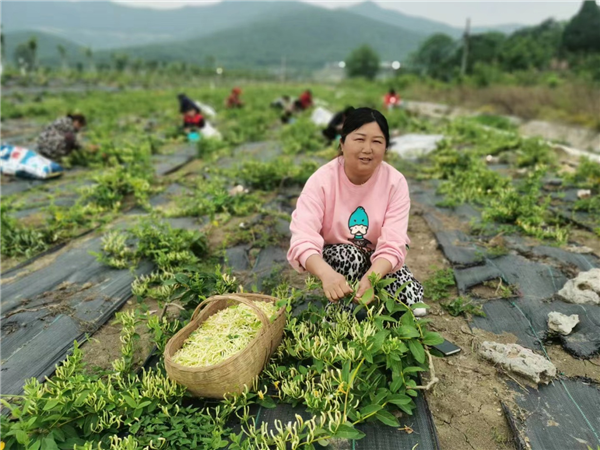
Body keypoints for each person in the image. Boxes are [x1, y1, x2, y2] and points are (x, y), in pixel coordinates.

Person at [287, 107, 426, 316]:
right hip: (339, 256)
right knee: (348, 256)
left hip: (375, 257)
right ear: (342, 143)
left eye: (377, 142)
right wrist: (326, 275)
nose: (367, 149)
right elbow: (303, 238)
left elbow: (393, 241)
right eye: (359, 139)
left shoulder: (395, 182)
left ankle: (365, 288)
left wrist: (372, 278)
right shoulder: (322, 180)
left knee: (410, 300)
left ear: (386, 147)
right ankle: (340, 307)